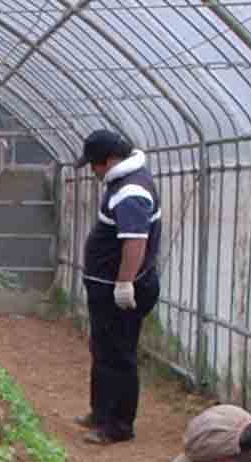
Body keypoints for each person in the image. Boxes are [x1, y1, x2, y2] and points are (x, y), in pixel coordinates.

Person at [75, 129, 161, 445]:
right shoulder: (122, 184)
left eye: (94, 164)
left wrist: (124, 283)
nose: (94, 171)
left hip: (120, 291)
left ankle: (118, 426)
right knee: (103, 351)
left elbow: (135, 241)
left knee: (118, 356)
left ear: (109, 160)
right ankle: (100, 413)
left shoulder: (132, 191)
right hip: (106, 289)